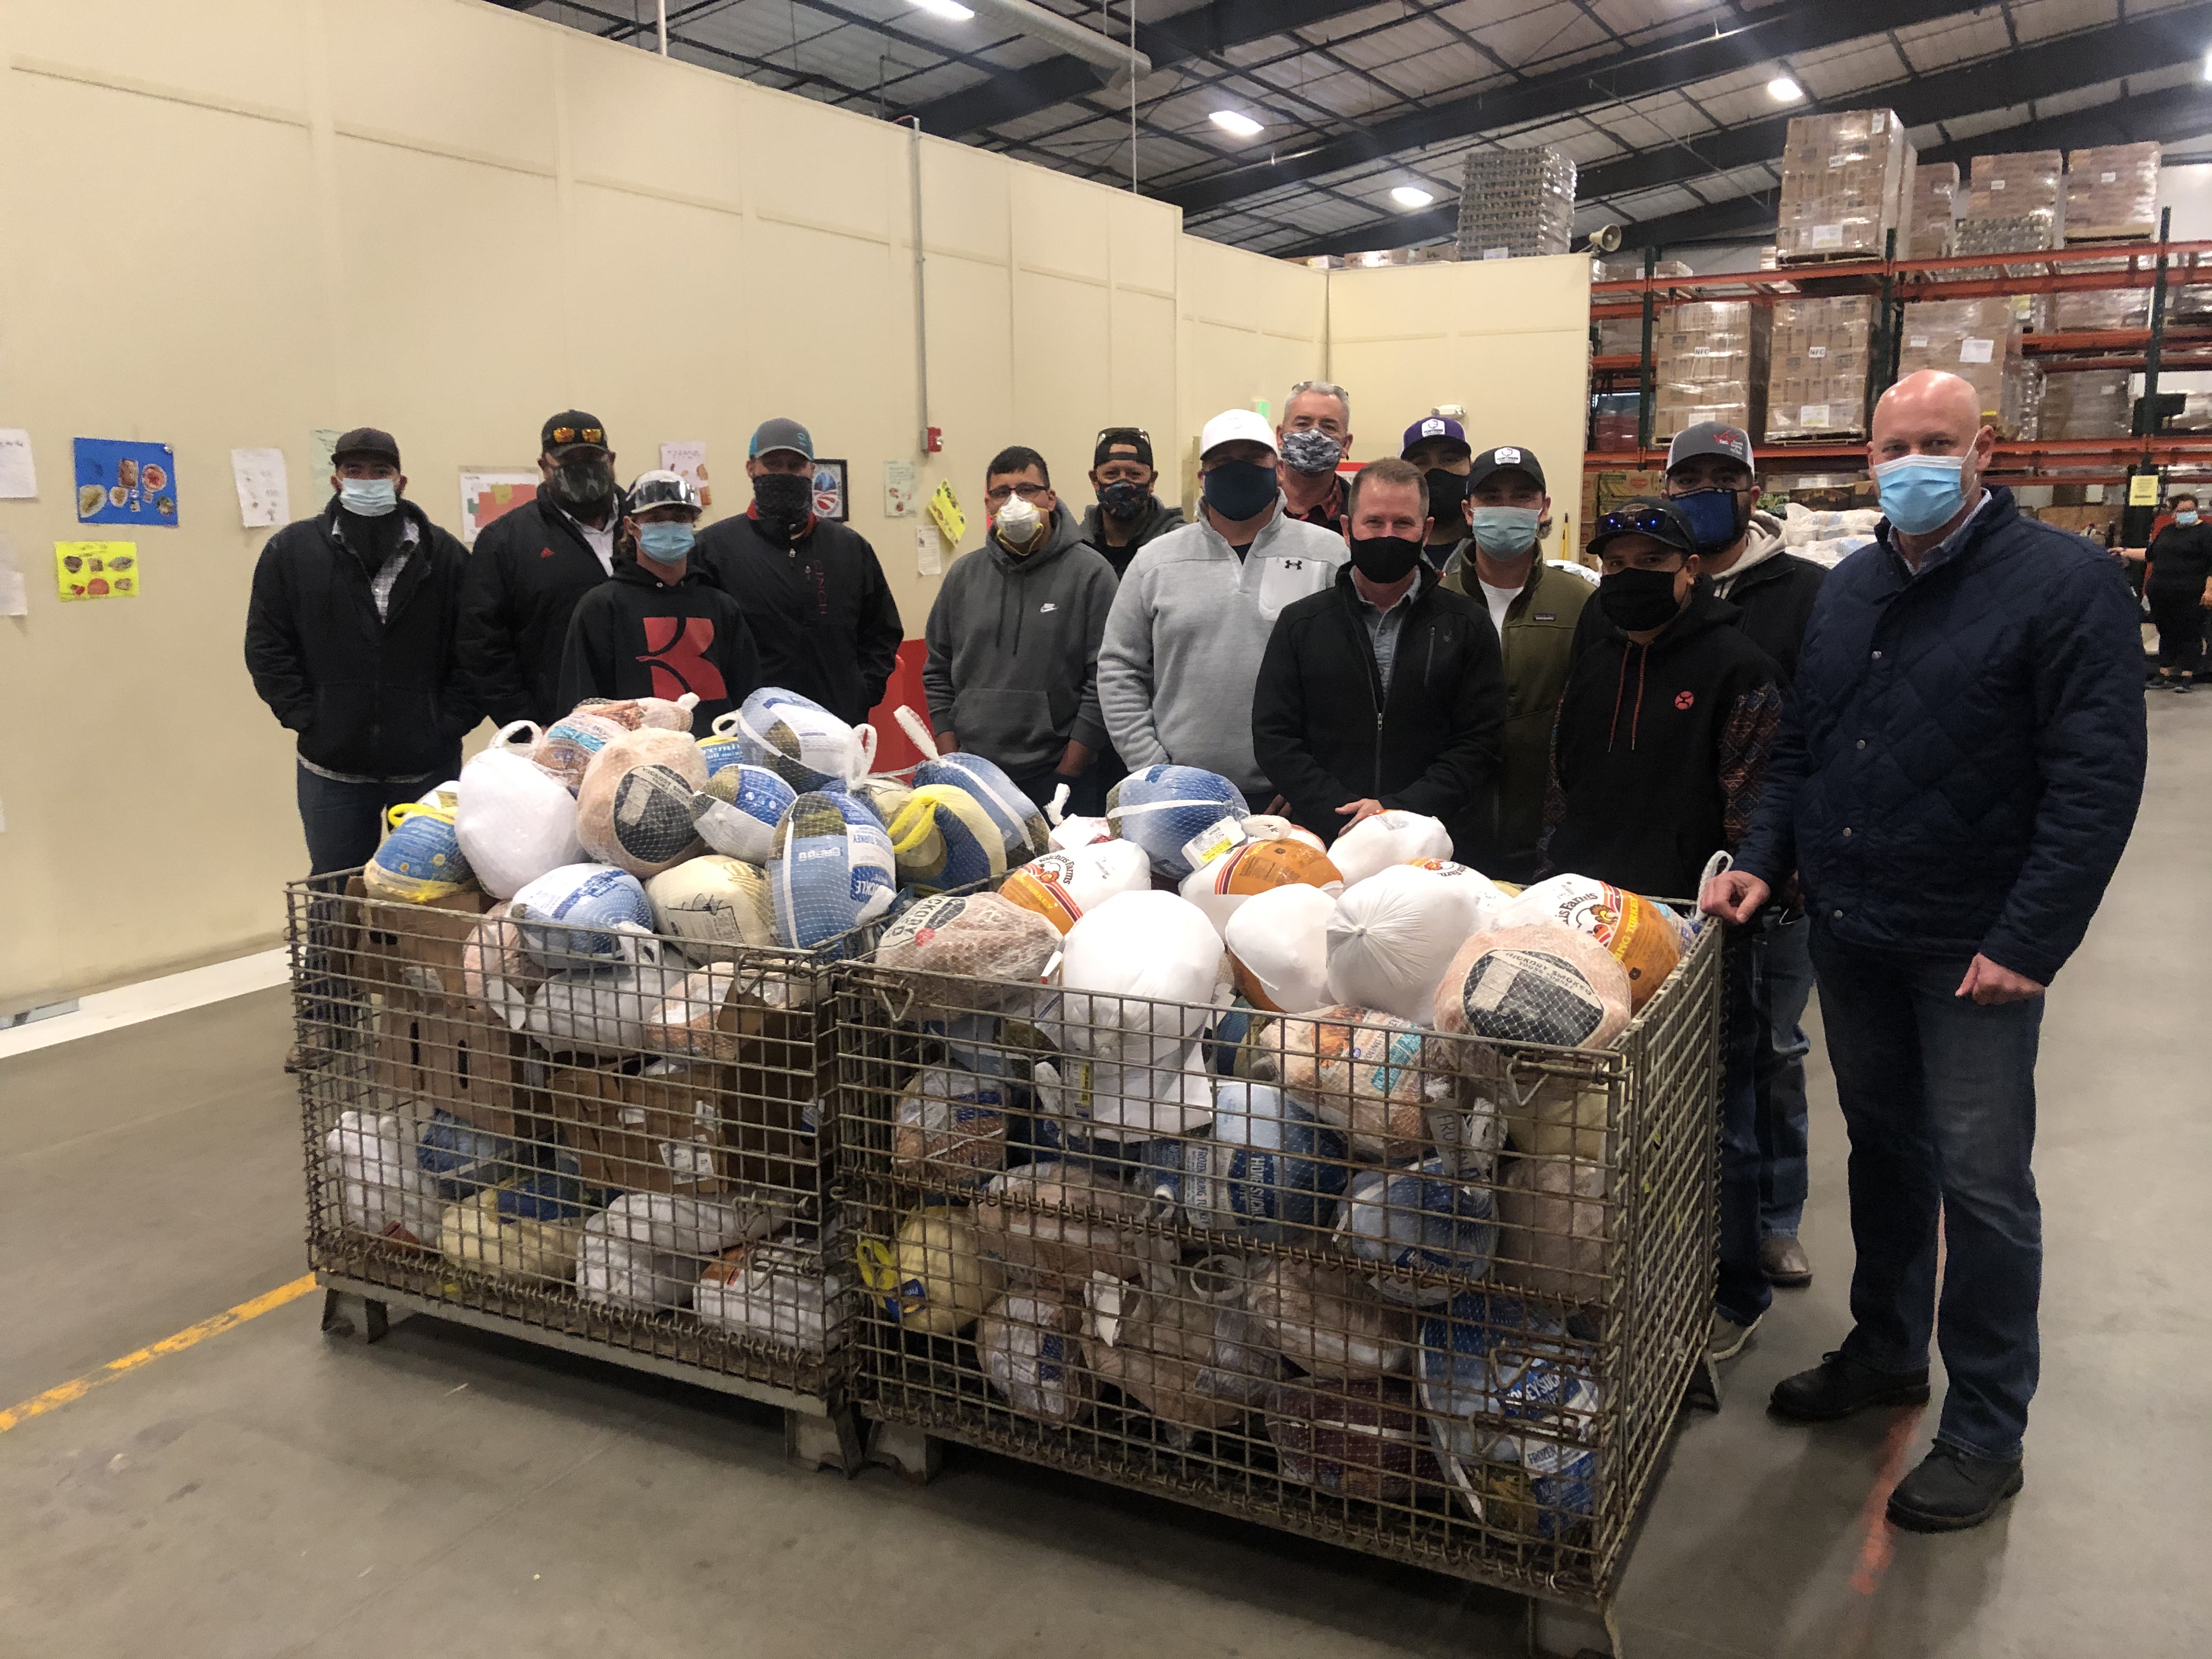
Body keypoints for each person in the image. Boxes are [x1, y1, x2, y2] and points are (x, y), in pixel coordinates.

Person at [1705, 369, 2147, 1534]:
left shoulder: (2066, 584)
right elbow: (1800, 749)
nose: (1914, 463)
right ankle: (1889, 1350)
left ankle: (1987, 1430)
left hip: (1973, 951)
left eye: (1937, 442)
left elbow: (2095, 785)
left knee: (1986, 1187)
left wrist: (2030, 941)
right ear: (1867, 458)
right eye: (1895, 444)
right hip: (1856, 928)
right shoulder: (1851, 590)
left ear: (1985, 450)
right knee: (1887, 1154)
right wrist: (1762, 853)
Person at [1543, 495, 1785, 1369]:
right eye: (1615, 562)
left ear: (1691, 570)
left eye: (1651, 563)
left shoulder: (1738, 664)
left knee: (1717, 1119)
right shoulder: (1598, 649)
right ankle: (1621, 1279)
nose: (1629, 578)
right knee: (1597, 1118)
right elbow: (1565, 774)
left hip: (1691, 933)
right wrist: (1547, 876)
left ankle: (1733, 1290)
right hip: (1589, 921)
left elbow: (1755, 801)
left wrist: (1736, 899)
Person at [1662, 420, 1829, 1292]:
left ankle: (1772, 1222)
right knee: (1672, 1055)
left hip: (1778, 872)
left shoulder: (1807, 593)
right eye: (1688, 476)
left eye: (1723, 476)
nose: (1704, 490)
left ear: (1752, 491)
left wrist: (1786, 858)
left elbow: (1820, 739)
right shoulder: (1651, 584)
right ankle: (1685, 1214)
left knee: (1771, 1049)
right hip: (1669, 869)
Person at [246, 426, 475, 876]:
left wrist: (448, 722)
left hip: (426, 764)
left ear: (400, 482)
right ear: (336, 481)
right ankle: (329, 952)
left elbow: (473, 646)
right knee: (336, 889)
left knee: (432, 888)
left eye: (380, 471)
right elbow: (267, 645)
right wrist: (308, 718)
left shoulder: (443, 555)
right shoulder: (292, 552)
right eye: (354, 470)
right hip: (332, 768)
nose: (367, 480)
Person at [1252, 458, 1503, 853]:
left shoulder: (1467, 624)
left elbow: (1479, 742)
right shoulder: (1301, 623)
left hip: (1432, 841)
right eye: (1374, 522)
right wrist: (1342, 811)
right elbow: (1275, 736)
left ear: (1427, 531)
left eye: (1403, 523)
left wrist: (1396, 811)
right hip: (1324, 837)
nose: (1388, 534)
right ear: (1348, 530)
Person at [1098, 408, 1344, 804]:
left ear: (1279, 469)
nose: (1239, 470)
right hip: (1178, 792)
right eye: (1224, 462)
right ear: (1203, 477)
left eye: (1253, 459)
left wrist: (1314, 777)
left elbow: (1349, 677)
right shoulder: (1154, 561)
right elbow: (1119, 668)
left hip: (1296, 794)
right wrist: (1151, 769)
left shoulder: (1329, 554)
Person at [924, 445, 1120, 816]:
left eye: (1027, 489)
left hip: (1058, 778)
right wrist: (953, 761)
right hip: (974, 775)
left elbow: (1104, 680)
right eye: (1002, 492)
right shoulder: (964, 576)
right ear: (988, 504)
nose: (1014, 501)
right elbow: (938, 670)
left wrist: (1069, 771)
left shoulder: (1091, 573)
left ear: (1050, 497)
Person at [1438, 444, 1592, 882]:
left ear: (1544, 508)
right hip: (1453, 834)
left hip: (1550, 840)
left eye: (1522, 496)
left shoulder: (1580, 601)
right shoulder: (1438, 601)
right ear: (1468, 511)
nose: (1507, 508)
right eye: (1491, 498)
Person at [694, 417, 903, 727]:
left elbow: (881, 631)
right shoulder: (714, 548)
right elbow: (700, 640)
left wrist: (862, 692)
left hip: (837, 727)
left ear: (812, 471)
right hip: (750, 729)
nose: (784, 473)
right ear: (751, 468)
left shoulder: (850, 548)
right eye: (773, 464)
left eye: (795, 466)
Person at [556, 470, 761, 731]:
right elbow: (583, 713)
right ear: (631, 527)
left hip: (718, 757)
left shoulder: (721, 608)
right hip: (633, 763)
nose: (670, 526)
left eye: (680, 518)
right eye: (655, 519)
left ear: (693, 525)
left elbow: (750, 701)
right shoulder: (601, 608)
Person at [458, 411, 625, 726]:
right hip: (558, 728)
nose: (582, 469)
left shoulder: (646, 525)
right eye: (568, 461)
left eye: (591, 458)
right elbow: (482, 646)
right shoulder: (506, 540)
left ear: (611, 460)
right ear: (544, 466)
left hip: (647, 720)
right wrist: (528, 727)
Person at [1078, 427, 1184, 579]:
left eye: (1134, 474)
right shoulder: (1076, 550)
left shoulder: (1180, 546)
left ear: (1152, 481)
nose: (1123, 483)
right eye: (1111, 474)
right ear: (1095, 480)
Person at [2139, 491, 2212, 691]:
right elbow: (2150, 555)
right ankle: (2164, 673)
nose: (2187, 513)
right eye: (2182, 511)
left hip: (2191, 592)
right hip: (2162, 592)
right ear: (2173, 513)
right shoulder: (2167, 531)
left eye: (2191, 510)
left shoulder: (2206, 533)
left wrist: (2209, 591)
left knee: (2189, 633)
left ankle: (2187, 677)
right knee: (2166, 631)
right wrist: (2123, 551)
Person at [1277, 380, 1354, 529]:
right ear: (1280, 436)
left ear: (1345, 445)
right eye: (1303, 424)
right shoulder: (1250, 506)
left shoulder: (1363, 517)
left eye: (1328, 427)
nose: (1314, 434)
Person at [1401, 414, 1474, 569]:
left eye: (1449, 460)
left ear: (1471, 467)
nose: (1436, 471)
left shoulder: (1490, 553)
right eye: (1421, 463)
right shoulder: (1391, 551)